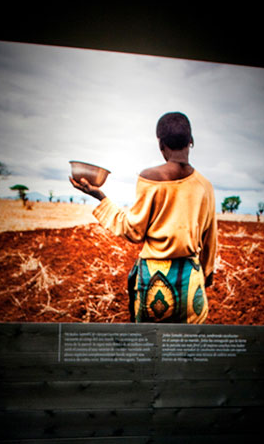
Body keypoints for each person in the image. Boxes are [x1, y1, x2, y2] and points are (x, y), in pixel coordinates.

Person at [70, 112, 217, 324]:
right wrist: (205, 277)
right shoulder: (205, 186)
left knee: (149, 347)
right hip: (190, 283)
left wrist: (99, 195)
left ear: (161, 145)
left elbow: (134, 230)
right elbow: (210, 240)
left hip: (153, 283)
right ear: (191, 141)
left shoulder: (150, 178)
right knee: (187, 351)